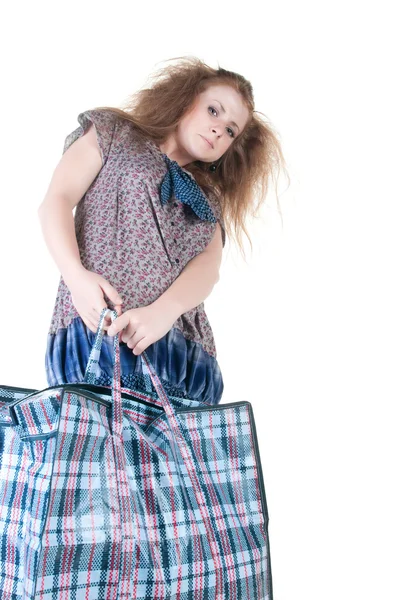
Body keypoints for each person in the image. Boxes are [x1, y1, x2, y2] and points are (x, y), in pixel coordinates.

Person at [38, 56, 288, 406]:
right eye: (214, 111)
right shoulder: (114, 133)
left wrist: (163, 312)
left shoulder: (208, 198)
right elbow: (57, 200)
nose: (219, 129)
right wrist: (76, 277)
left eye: (231, 130)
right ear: (185, 100)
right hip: (97, 330)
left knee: (180, 462)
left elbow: (207, 269)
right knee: (87, 454)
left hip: (179, 353)